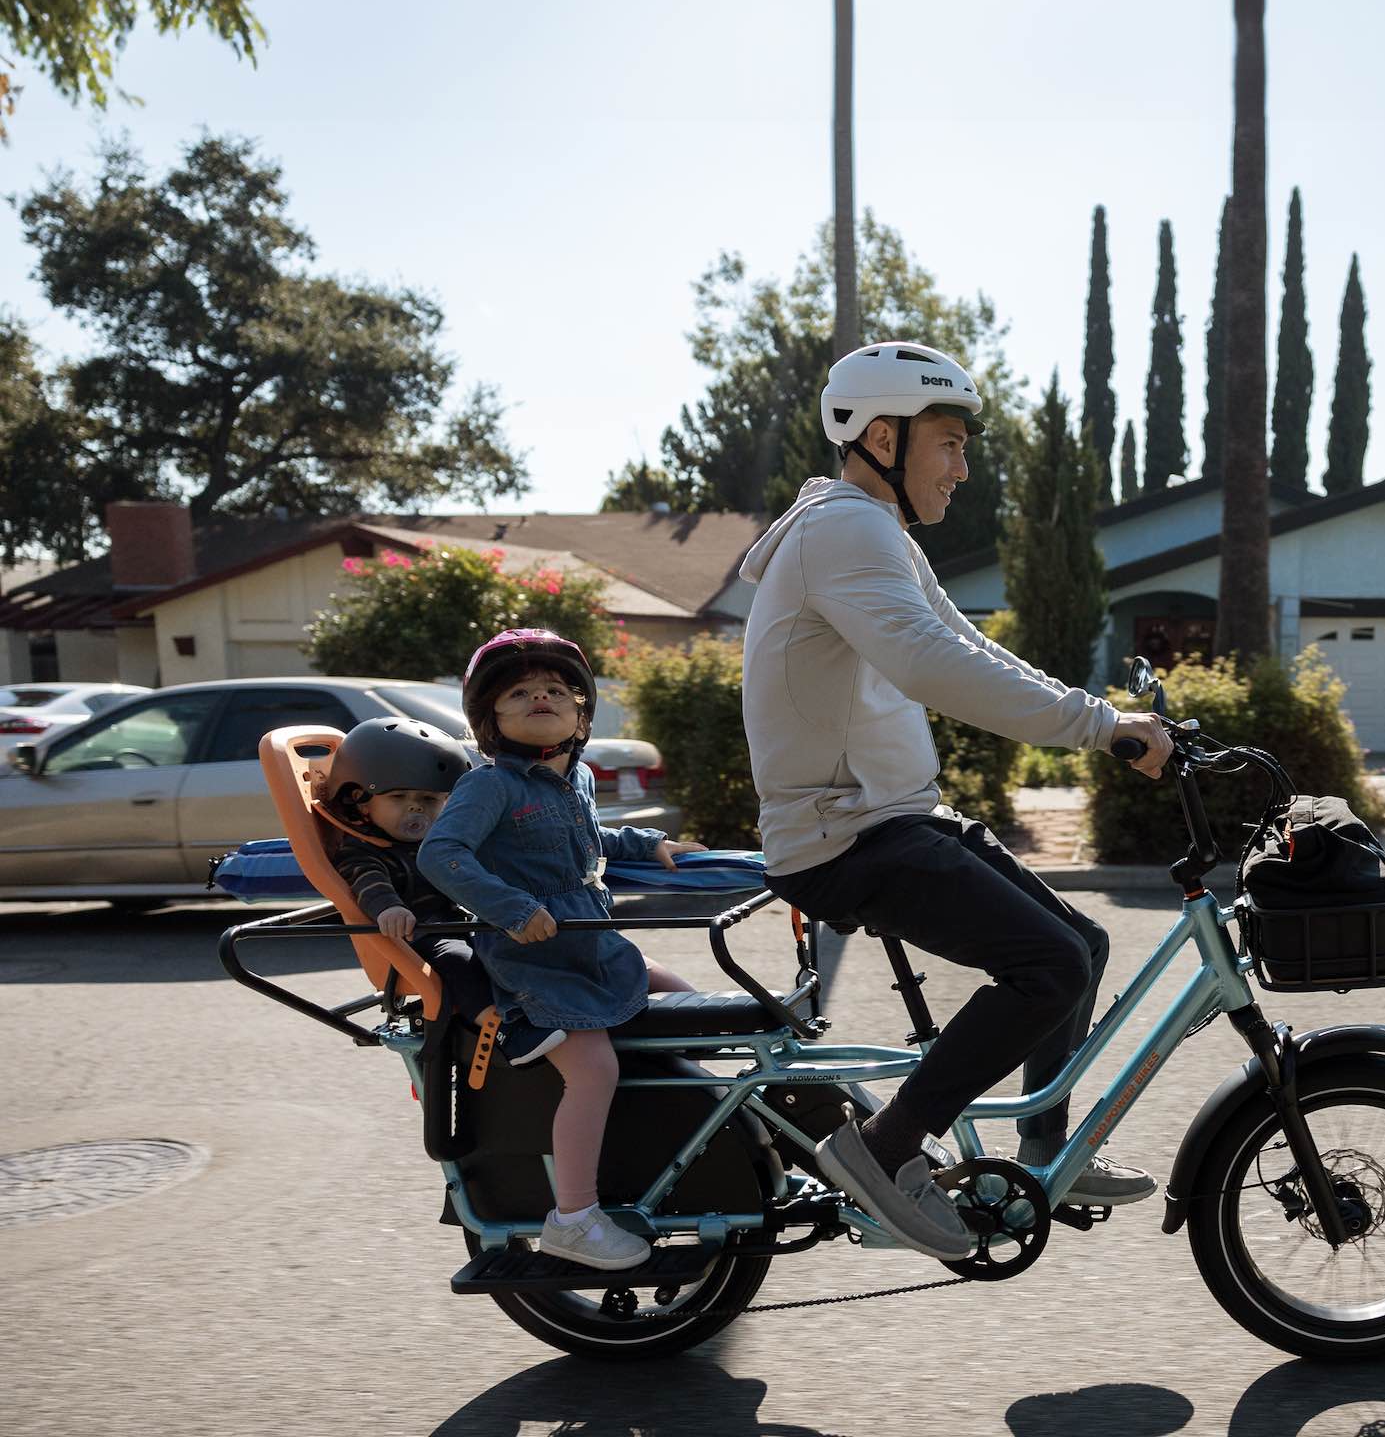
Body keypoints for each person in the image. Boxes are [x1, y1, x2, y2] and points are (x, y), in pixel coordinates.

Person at [739, 340, 1174, 1262]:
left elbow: (967, 645)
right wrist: (1101, 728)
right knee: (1048, 968)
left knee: (1081, 948)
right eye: (950, 443)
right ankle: (883, 1148)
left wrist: (1103, 719)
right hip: (844, 835)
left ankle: (1048, 1150)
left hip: (887, 817)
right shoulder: (844, 529)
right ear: (883, 436)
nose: (963, 468)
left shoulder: (868, 528)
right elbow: (935, 667)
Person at [419, 628, 707, 1271]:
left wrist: (644, 844)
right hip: (537, 967)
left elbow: (588, 836)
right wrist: (515, 909)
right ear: (489, 717)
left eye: (556, 689)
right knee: (593, 1069)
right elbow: (441, 855)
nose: (540, 697)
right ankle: (573, 1217)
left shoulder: (573, 779)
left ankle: (687, 1136)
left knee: (693, 1006)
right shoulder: (490, 785)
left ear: (581, 711)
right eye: (519, 692)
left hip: (594, 948)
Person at [316, 714, 560, 1060]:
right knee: (460, 961)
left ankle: (542, 1005)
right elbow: (368, 882)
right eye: (399, 796)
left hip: (457, 923)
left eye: (429, 800)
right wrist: (389, 908)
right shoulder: (363, 851)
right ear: (361, 800)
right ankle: (503, 1031)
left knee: (514, 945)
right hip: (421, 938)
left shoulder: (440, 842)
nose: (416, 808)